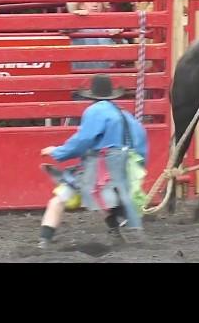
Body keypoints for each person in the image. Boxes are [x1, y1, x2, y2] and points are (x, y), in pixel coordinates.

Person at [38, 73, 148, 249]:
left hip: (97, 166)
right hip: (125, 167)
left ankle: (44, 241)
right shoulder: (126, 116)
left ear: (91, 95)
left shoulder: (95, 111)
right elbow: (140, 143)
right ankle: (125, 231)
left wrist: (57, 152)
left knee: (59, 199)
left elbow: (83, 140)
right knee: (105, 200)